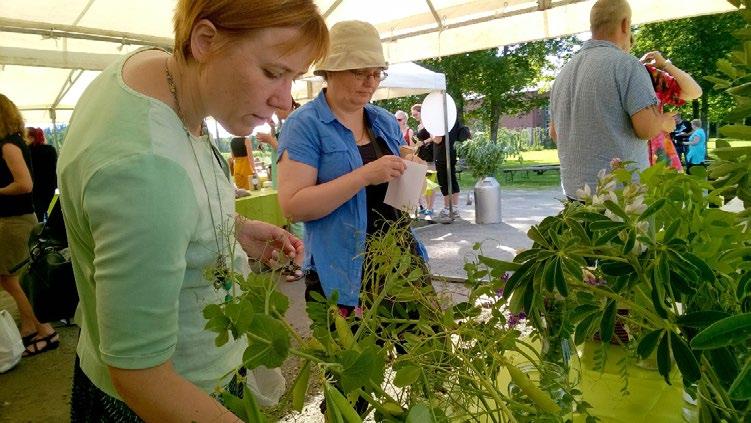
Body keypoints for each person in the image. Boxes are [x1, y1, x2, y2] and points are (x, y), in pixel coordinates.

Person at [57, 1, 327, 421]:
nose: (285, 100)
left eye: (294, 77)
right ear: (205, 41)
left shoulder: (156, 72)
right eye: (274, 72)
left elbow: (170, 203)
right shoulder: (145, 170)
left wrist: (231, 226)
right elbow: (141, 375)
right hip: (170, 398)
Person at [277, 19, 428, 314]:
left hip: (399, 260)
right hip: (342, 271)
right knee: (357, 358)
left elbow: (402, 164)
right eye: (359, 72)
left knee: (428, 355)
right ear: (329, 72)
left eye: (376, 73)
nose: (370, 82)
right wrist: (365, 175)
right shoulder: (304, 125)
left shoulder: (382, 119)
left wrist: (412, 164)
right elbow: (294, 207)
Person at [549, 0, 676, 201]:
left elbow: (555, 133)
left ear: (593, 27)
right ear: (625, 24)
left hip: (574, 196)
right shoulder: (627, 65)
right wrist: (663, 121)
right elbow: (646, 129)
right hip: (621, 200)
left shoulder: (563, 73)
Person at [0, 95, 59, 357]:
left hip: (14, 221)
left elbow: (25, 184)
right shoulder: (13, 143)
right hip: (15, 219)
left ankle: (46, 331)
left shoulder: (8, 146)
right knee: (16, 278)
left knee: (13, 280)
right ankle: (29, 326)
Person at [639, 51, 702, 171]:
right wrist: (660, 122)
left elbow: (695, 92)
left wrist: (665, 65)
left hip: (662, 159)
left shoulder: (649, 74)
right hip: (629, 158)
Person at [433, 120, 464, 222]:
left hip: (441, 155)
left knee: (444, 182)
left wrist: (431, 133)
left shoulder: (438, 121)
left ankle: (447, 209)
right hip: (452, 153)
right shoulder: (453, 119)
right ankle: (454, 208)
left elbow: (437, 139)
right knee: (452, 179)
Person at [26, 127, 59, 221]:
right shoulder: (50, 149)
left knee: (38, 214)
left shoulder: (28, 152)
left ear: (32, 138)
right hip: (50, 186)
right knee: (52, 210)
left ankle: (40, 231)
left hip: (35, 188)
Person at [411, 103, 436, 216]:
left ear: (421, 112)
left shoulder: (429, 123)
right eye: (412, 115)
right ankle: (427, 206)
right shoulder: (419, 125)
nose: (414, 116)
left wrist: (424, 142)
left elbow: (434, 137)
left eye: (415, 114)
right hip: (421, 155)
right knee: (424, 183)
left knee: (430, 181)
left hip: (429, 155)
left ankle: (430, 207)